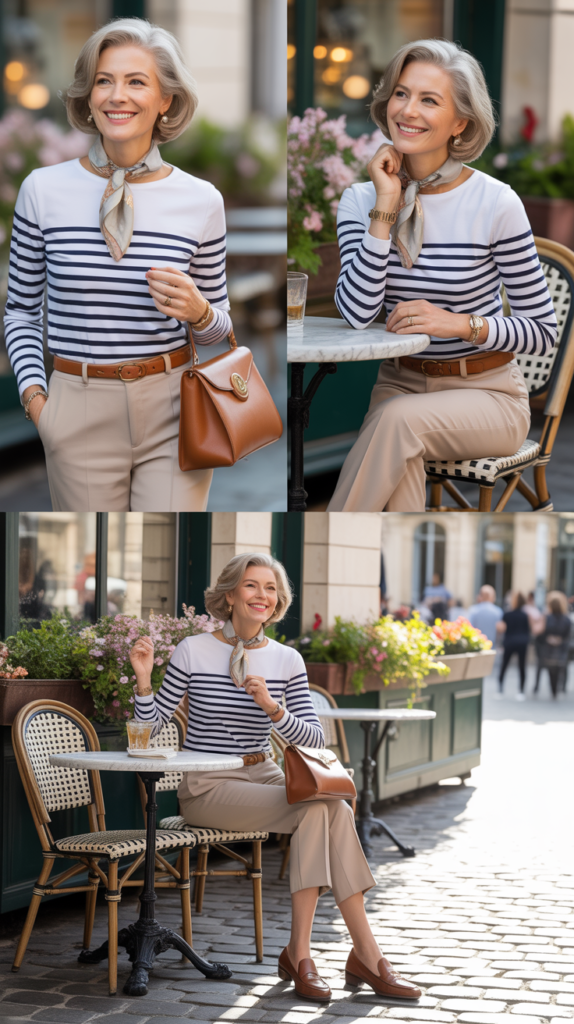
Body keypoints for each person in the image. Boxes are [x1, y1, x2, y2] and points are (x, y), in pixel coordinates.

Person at [128, 552, 422, 1003]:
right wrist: (145, 682)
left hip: (264, 770)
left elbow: (313, 738)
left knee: (333, 809)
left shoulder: (287, 660)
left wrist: (273, 708)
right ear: (230, 595)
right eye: (251, 585)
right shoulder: (194, 649)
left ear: (278, 600)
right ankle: (345, 957)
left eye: (270, 588)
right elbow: (148, 732)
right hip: (208, 784)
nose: (262, 595)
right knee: (324, 811)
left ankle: (326, 953)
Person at [4, 19, 233, 512]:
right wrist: (38, 404)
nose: (116, 96)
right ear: (88, 97)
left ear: (165, 100)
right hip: (76, 406)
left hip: (176, 405)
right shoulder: (42, 190)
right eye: (104, 80)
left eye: (136, 81)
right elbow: (21, 311)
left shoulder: (201, 201)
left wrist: (200, 313)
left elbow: (221, 330)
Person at [327, 39, 557, 511]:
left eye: (429, 100)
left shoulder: (495, 203)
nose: (408, 111)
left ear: (461, 123)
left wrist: (458, 324)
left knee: (396, 425)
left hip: (488, 394)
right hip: (399, 384)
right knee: (400, 459)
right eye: (401, 93)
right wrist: (386, 208)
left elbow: (542, 332)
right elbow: (357, 314)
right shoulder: (360, 200)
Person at [497, 592, 530, 699]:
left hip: (510, 641)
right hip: (522, 642)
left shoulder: (507, 614)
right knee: (522, 666)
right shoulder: (525, 615)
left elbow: (501, 628)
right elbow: (528, 630)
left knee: (504, 665)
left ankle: (500, 689)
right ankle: (521, 691)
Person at [537, 591, 571, 699]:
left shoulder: (548, 618)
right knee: (559, 669)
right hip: (556, 649)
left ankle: (555, 690)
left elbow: (540, 634)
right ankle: (557, 690)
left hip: (553, 649)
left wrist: (552, 639)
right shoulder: (565, 619)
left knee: (554, 670)